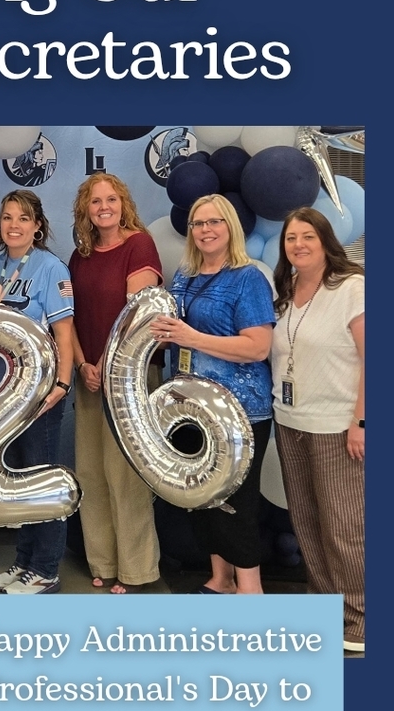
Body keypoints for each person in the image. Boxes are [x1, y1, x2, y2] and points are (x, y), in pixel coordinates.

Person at [152, 193, 276, 595]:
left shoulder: (249, 277)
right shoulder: (184, 277)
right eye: (198, 224)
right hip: (191, 410)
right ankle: (220, 579)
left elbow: (258, 346)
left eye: (214, 222)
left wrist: (192, 337)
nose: (205, 230)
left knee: (237, 504)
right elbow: (174, 338)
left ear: (230, 228)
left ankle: (250, 590)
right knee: (203, 498)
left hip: (240, 412)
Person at [271, 207, 365, 651]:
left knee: (343, 527)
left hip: (337, 426)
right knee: (307, 523)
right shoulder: (286, 291)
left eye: (307, 236)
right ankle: (326, 608)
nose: (299, 245)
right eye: (291, 238)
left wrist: (361, 421)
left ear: (326, 241)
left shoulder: (351, 289)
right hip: (291, 423)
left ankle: (361, 617)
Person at [69, 172, 164, 593]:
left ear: (123, 203)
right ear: (85, 210)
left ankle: (137, 570)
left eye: (111, 199)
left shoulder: (139, 245)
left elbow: (135, 317)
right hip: (88, 377)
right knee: (91, 472)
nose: (103, 206)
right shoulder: (80, 255)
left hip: (128, 377)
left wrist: (105, 366)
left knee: (125, 473)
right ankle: (103, 562)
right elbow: (67, 320)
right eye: (95, 201)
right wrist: (84, 366)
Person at [0, 190, 74, 594]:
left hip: (40, 394)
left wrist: (63, 382)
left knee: (42, 477)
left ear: (38, 225)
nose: (14, 224)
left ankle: (46, 569)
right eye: (6, 217)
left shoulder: (52, 268)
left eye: (23, 217)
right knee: (16, 479)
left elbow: (64, 333)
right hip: (1, 395)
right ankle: (23, 562)